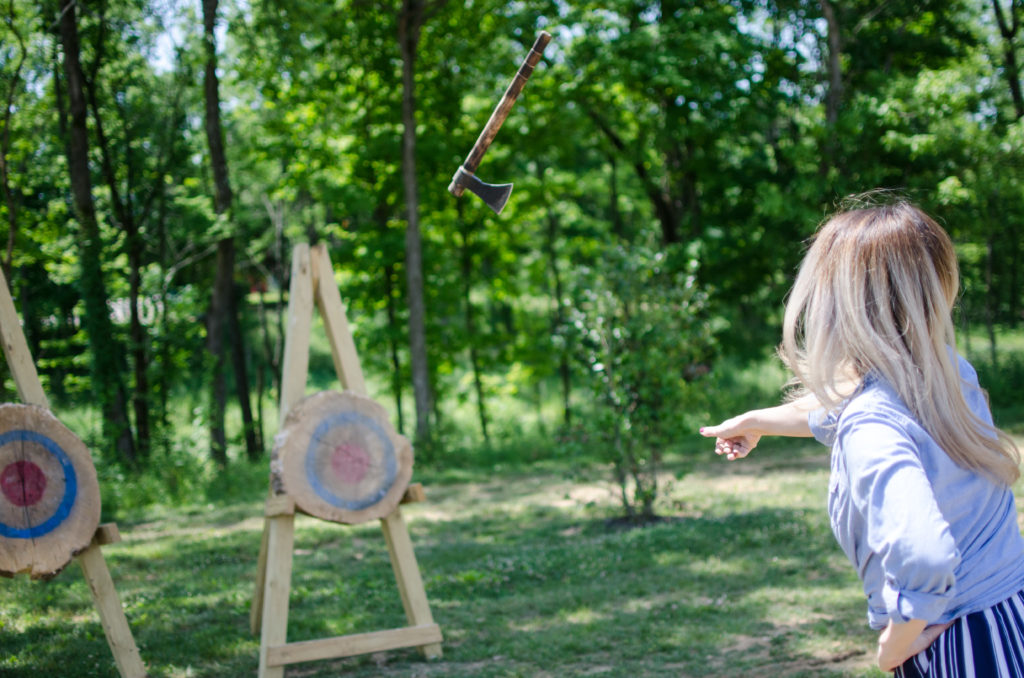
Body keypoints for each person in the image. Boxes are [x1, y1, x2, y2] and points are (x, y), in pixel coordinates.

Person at [701, 199, 1024, 676]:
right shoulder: (950, 373)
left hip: (958, 648)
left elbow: (925, 556)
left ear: (835, 301)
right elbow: (849, 405)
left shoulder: (871, 425)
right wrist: (758, 421)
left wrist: (897, 644)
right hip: (1010, 618)